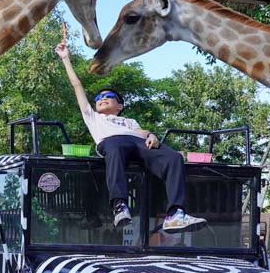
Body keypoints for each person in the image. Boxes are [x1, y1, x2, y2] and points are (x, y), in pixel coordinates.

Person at [55, 33, 205, 233]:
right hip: (112, 143)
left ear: (120, 105)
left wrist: (152, 135)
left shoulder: (129, 121)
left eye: (109, 96)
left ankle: (175, 214)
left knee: (173, 157)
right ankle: (120, 205)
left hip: (136, 143)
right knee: (115, 146)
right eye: (99, 97)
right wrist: (65, 58)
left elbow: (141, 133)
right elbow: (77, 86)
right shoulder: (94, 117)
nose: (102, 98)